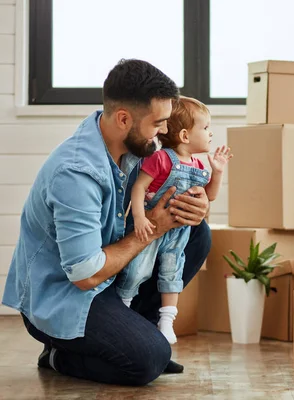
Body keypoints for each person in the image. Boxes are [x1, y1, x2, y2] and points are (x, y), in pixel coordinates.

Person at [2, 59, 212, 386]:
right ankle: (59, 354)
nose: (164, 132)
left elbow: (175, 195)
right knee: (149, 360)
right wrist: (153, 228)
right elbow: (85, 274)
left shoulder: (138, 146)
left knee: (197, 233)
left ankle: (134, 333)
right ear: (124, 118)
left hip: (108, 278)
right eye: (158, 123)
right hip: (65, 294)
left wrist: (195, 206)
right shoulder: (76, 173)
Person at [117, 96, 231, 344]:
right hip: (150, 227)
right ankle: (122, 315)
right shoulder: (161, 159)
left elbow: (209, 196)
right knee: (138, 269)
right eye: (206, 128)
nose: (211, 133)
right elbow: (139, 188)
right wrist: (139, 217)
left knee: (172, 273)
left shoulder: (199, 166)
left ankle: (165, 323)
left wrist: (218, 171)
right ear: (184, 136)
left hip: (176, 232)